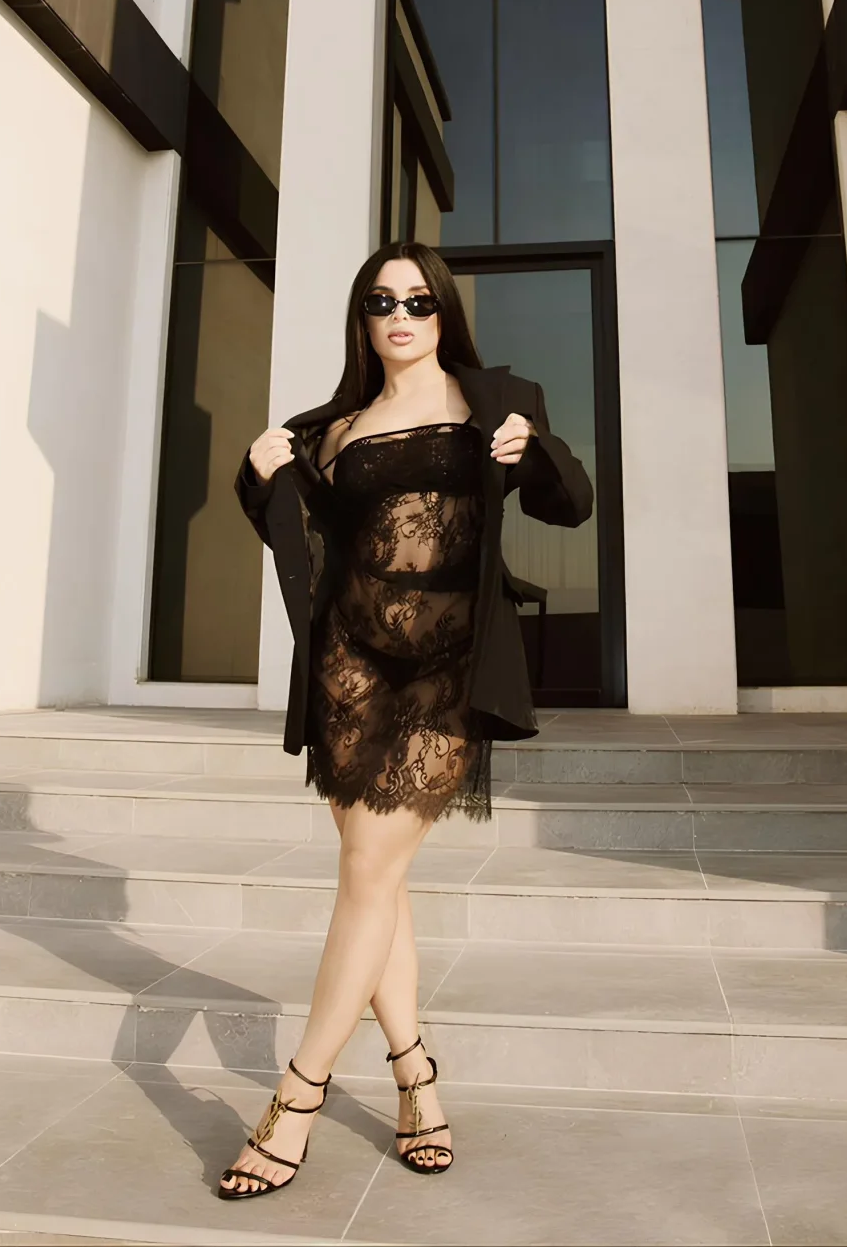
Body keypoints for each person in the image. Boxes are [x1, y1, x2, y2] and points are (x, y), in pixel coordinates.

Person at [220, 241, 593, 1200]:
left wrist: (533, 449)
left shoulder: (494, 401)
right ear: (363, 318)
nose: (401, 316)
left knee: (367, 872)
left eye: (419, 301)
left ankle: (297, 1096)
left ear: (443, 312)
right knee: (374, 878)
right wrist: (258, 475)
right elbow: (306, 532)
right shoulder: (335, 427)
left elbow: (572, 503)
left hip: (445, 674)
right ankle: (417, 1078)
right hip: (349, 671)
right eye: (382, 301)